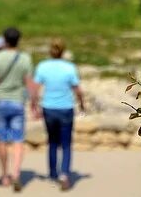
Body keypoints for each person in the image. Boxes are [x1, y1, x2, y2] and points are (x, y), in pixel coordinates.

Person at [0, 26, 39, 192]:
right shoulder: (25, 59)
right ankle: (16, 173)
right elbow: (30, 85)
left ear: (4, 40)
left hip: (0, 102)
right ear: (18, 40)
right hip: (17, 102)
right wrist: (34, 104)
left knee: (2, 140)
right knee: (18, 140)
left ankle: (5, 175)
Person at [33, 38, 86, 191]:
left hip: (48, 108)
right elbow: (78, 90)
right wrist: (82, 105)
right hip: (66, 108)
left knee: (52, 142)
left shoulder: (42, 66)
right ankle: (64, 173)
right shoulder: (69, 67)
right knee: (66, 144)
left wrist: (33, 106)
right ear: (63, 51)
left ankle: (52, 173)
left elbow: (36, 89)